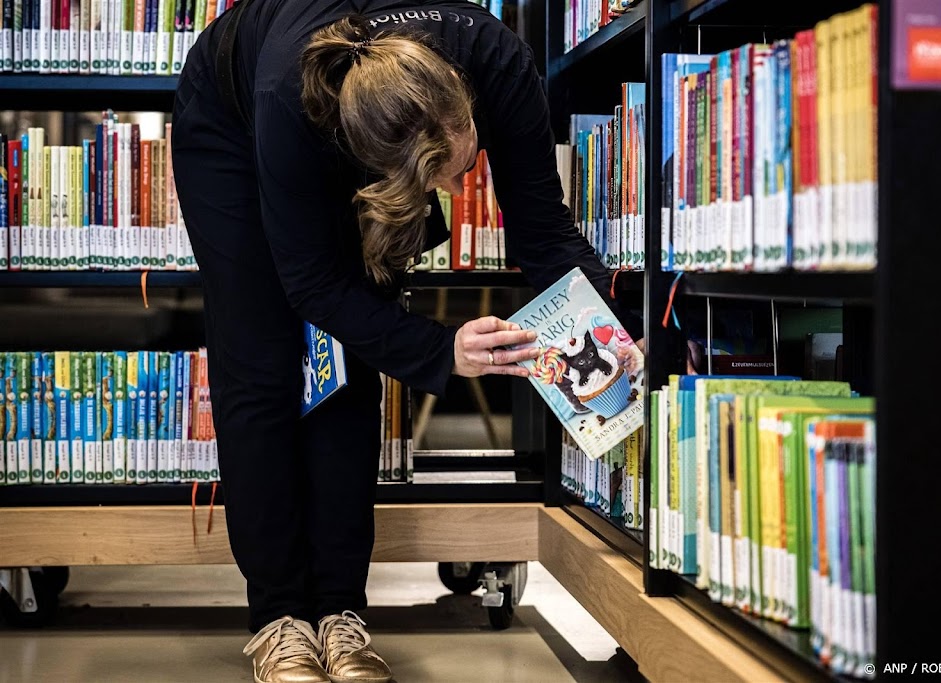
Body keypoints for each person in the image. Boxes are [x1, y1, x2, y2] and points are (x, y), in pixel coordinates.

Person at [171, 0, 644, 681]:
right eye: (438, 183)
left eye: (462, 160)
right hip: (232, 120)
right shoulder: (285, 96)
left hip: (363, 119)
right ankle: (280, 619)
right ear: (383, 169)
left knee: (353, 356)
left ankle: (338, 613)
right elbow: (311, 286)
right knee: (263, 357)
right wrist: (442, 350)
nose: (460, 188)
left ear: (464, 103)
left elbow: (546, 236)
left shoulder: (499, 61)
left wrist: (612, 335)